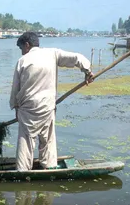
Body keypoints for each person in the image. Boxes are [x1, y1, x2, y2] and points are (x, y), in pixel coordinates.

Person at [9, 31, 93, 171]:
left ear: (27, 45)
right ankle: (49, 166)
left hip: (28, 109)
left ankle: (23, 171)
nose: (22, 52)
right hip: (47, 107)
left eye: (21, 48)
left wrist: (15, 107)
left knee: (26, 142)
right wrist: (87, 71)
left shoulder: (22, 61)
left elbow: (15, 90)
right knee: (47, 140)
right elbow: (77, 58)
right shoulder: (52, 54)